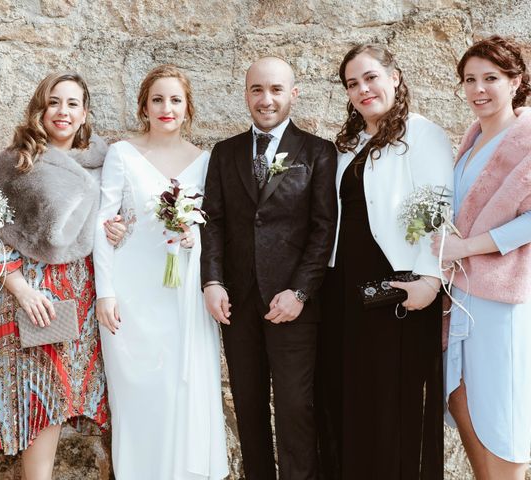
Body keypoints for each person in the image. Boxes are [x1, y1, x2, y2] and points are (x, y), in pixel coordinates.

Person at [315, 44, 454, 479]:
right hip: (345, 285)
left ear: (394, 76)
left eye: (370, 77)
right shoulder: (350, 143)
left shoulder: (421, 133)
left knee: (390, 403)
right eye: (353, 84)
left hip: (397, 285)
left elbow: (433, 210)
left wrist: (429, 281)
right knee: (349, 397)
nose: (362, 89)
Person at [201, 56, 337, 479]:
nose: (266, 99)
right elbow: (214, 222)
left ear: (293, 94)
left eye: (276, 89)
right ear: (246, 95)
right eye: (257, 90)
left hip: (293, 305)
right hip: (237, 303)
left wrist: (299, 292)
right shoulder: (224, 154)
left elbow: (323, 230)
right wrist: (212, 280)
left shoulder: (317, 152)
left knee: (297, 406)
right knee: (248, 403)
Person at [93, 64, 228, 480]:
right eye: (157, 100)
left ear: (187, 108)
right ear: (144, 107)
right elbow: (104, 222)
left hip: (183, 291)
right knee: (136, 393)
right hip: (132, 289)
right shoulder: (122, 154)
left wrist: (195, 239)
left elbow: (217, 227)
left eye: (175, 100)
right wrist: (105, 292)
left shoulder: (206, 161)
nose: (166, 108)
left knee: (181, 389)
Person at [0, 72, 109, 480]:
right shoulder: (15, 161)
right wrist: (21, 291)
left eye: (73, 104)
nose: (63, 112)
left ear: (85, 113)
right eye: (54, 102)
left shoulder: (103, 162)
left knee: (76, 400)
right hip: (32, 296)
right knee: (41, 405)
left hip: (84, 297)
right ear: (40, 107)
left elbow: (114, 227)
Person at [433, 36, 531, 480]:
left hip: (500, 296)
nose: (479, 89)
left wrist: (467, 248)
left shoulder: (525, 140)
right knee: (462, 394)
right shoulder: (470, 142)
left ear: (516, 82)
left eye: (491, 78)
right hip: (462, 293)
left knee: (503, 406)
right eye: (470, 80)